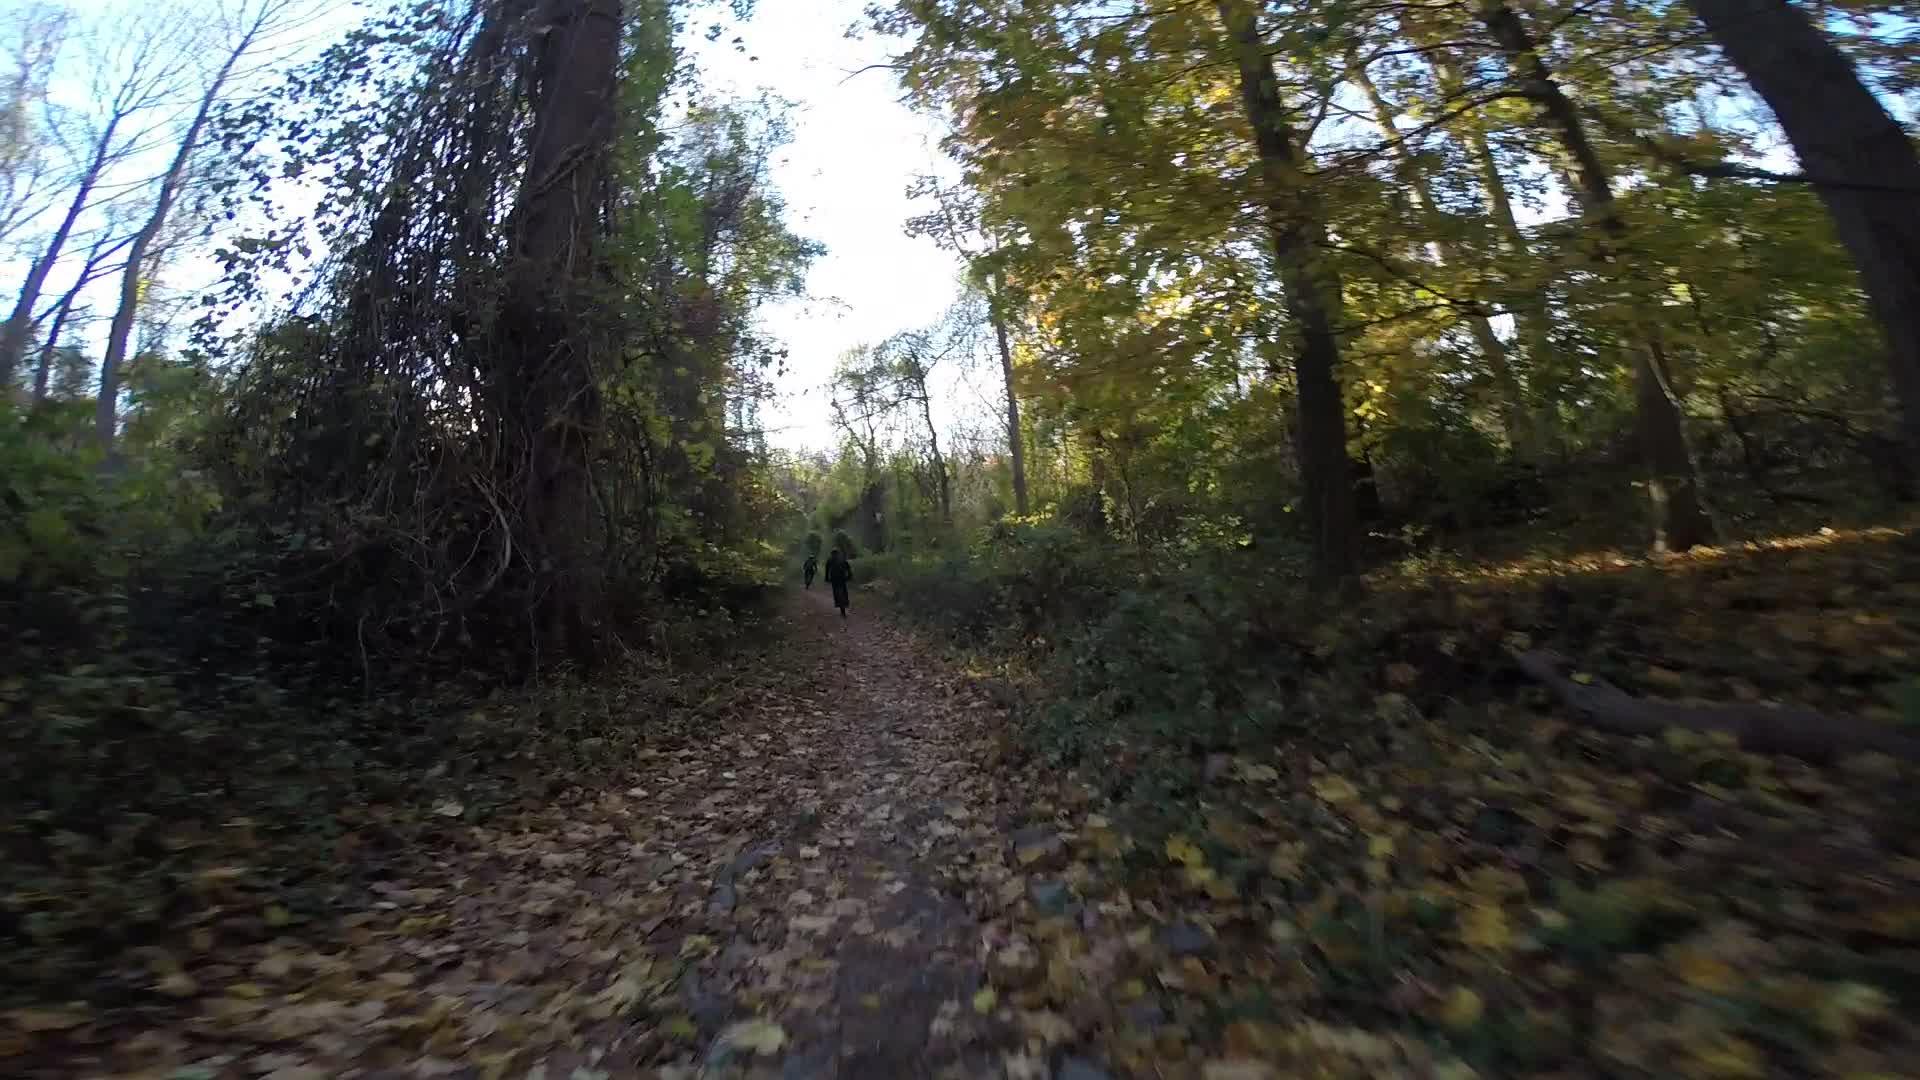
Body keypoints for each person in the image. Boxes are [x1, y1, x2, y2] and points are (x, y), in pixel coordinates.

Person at [824, 547, 852, 618]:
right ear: (838, 553)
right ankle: (845, 604)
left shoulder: (829, 560)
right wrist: (849, 576)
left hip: (834, 579)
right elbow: (848, 568)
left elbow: (827, 570)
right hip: (842, 579)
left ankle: (840, 605)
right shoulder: (842, 559)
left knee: (836, 593)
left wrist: (826, 578)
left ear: (832, 553)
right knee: (844, 592)